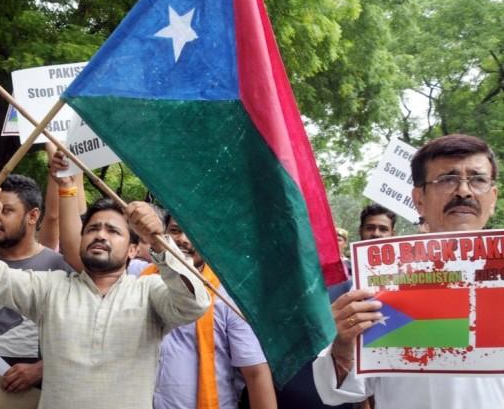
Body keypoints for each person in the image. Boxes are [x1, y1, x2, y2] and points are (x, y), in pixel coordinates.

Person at [0, 181, 210, 409]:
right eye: (92, 229)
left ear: (133, 249)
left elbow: (194, 304)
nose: (100, 234)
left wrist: (159, 243)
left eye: (113, 231)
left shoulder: (149, 291)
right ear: (80, 240)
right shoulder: (51, 288)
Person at [313, 134, 504, 408]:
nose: (464, 191)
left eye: (478, 179)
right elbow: (340, 390)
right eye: (448, 179)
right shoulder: (383, 280)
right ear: (419, 198)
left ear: (493, 197)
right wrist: (344, 342)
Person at [139, 216, 276, 409]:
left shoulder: (229, 296)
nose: (184, 239)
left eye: (195, 234)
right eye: (176, 230)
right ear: (164, 234)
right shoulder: (139, 276)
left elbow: (255, 374)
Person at [0, 174, 72, 394]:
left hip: (33, 397)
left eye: (7, 210)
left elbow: (76, 336)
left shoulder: (59, 269)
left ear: (32, 216)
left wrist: (42, 368)